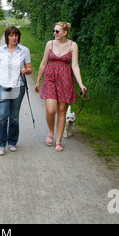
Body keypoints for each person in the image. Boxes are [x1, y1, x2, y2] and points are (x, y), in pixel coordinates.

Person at [35, 22, 87, 152]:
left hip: (65, 80)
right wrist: (38, 80)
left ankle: (58, 141)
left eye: (57, 31)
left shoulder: (73, 45)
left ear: (65, 32)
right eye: (54, 31)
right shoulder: (50, 44)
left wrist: (80, 83)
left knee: (62, 111)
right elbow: (43, 63)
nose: (54, 33)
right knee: (51, 110)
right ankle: (51, 132)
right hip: (50, 79)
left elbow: (75, 66)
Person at [0, 26, 32, 156]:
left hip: (18, 86)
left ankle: (12, 142)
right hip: (1, 86)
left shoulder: (24, 51)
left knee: (14, 117)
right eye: (11, 35)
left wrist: (26, 71)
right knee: (2, 115)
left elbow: (29, 68)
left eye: (16, 35)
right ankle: (1, 144)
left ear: (18, 37)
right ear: (7, 37)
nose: (14, 38)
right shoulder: (0, 51)